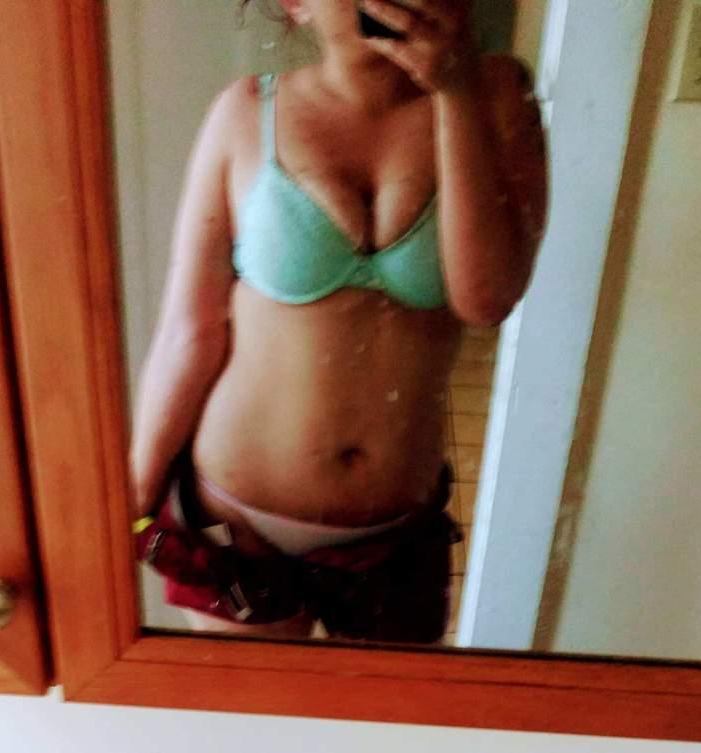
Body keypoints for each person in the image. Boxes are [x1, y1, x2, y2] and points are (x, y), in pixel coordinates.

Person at [130, 0, 547, 642]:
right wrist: (131, 497)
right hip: (235, 519)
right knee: (248, 710)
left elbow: (486, 300)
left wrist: (456, 92)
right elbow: (190, 330)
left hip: (392, 536)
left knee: (379, 708)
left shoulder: (497, 100)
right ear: (295, 5)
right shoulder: (244, 113)